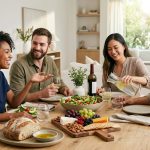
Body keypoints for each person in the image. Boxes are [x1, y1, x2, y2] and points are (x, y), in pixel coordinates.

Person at [0, 31, 57, 121]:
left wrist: (31, 82)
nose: (11, 56)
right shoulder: (19, 64)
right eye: (7, 52)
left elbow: (14, 103)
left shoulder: (1, 76)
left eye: (10, 52)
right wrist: (14, 115)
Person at [10, 28, 72, 102]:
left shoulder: (50, 61)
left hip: (49, 107)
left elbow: (58, 83)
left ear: (48, 46)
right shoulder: (18, 65)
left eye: (42, 44)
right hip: (26, 110)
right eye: (34, 43)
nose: (37, 47)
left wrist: (64, 89)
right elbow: (16, 99)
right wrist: (41, 94)